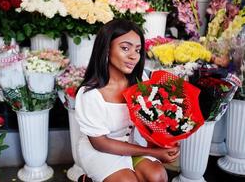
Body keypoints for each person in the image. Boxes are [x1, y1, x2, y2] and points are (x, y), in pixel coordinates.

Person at [75, 19, 180, 182]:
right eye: (125, 48)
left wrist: (165, 143)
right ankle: (88, 179)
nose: (133, 56)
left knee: (158, 175)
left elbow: (151, 119)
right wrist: (153, 153)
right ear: (107, 49)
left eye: (138, 50)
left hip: (130, 145)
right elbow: (100, 143)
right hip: (100, 151)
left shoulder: (140, 81)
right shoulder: (89, 94)